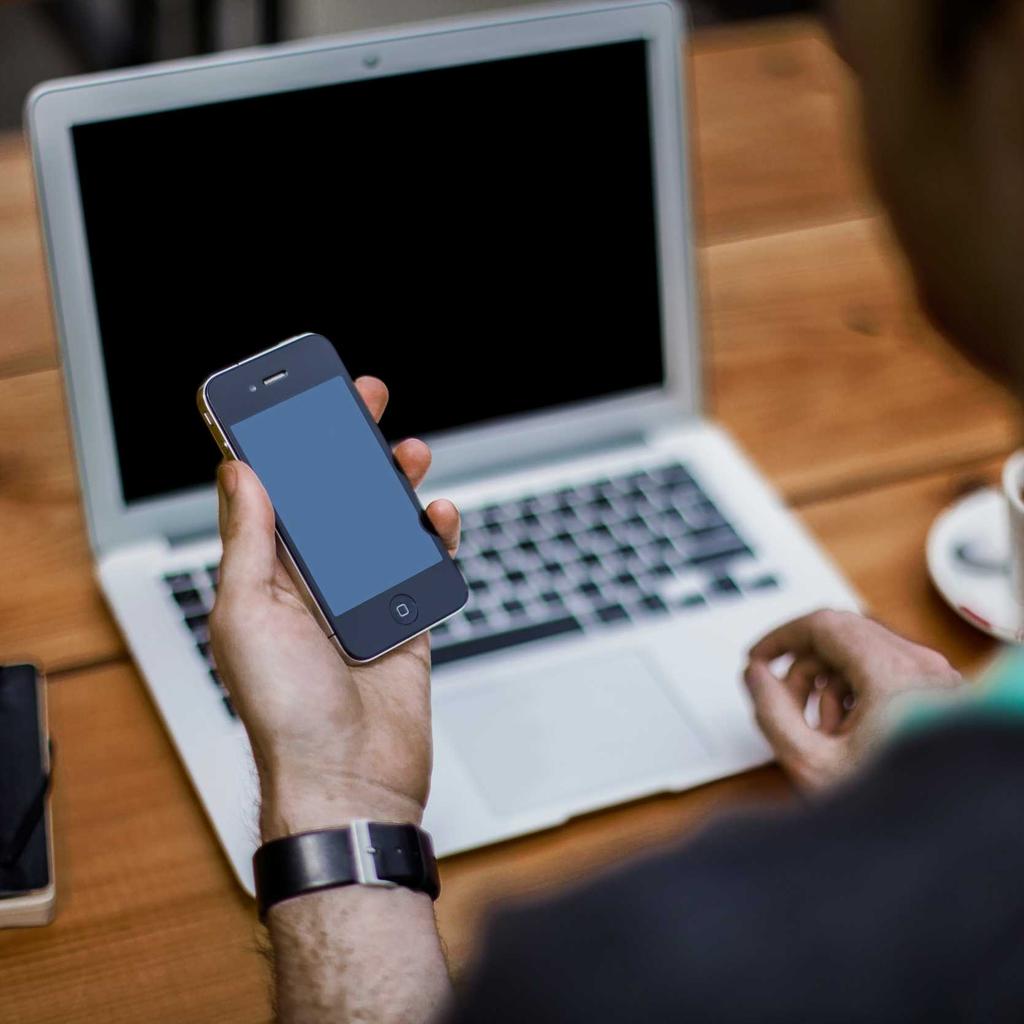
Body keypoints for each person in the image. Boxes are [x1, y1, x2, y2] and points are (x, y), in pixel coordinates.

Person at [209, 1, 1024, 1020]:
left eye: (854, 26)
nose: (844, 45)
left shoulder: (645, 969)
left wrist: (341, 800)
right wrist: (931, 761)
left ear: (993, 69)